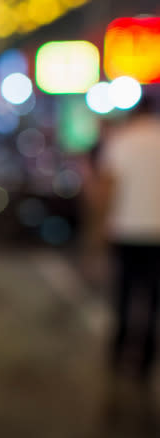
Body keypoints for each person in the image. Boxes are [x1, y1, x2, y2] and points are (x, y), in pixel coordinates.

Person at [96, 97, 160, 382]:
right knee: (154, 297)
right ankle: (147, 355)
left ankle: (119, 350)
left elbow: (109, 186)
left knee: (124, 292)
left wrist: (98, 228)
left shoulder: (122, 141)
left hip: (126, 230)